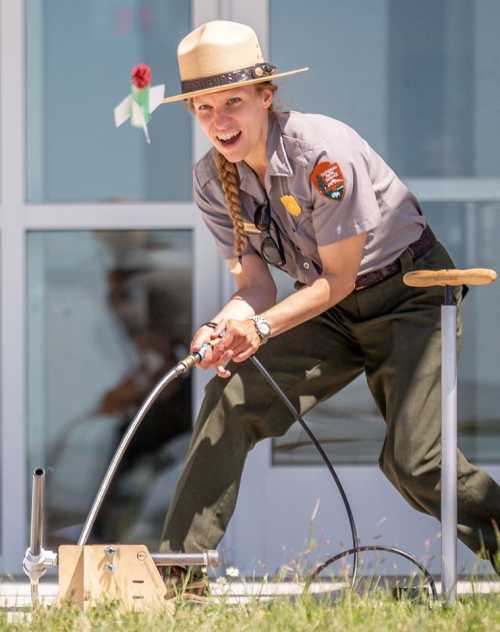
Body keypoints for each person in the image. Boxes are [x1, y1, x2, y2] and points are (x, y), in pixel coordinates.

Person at [158, 20, 500, 591]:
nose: (219, 121)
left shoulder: (321, 153)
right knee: (231, 395)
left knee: (415, 463)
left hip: (409, 295)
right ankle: (175, 581)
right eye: (203, 107)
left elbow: (338, 279)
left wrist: (261, 328)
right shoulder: (212, 183)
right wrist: (221, 327)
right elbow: (256, 288)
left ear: (266, 97)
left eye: (233, 102)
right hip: (330, 311)